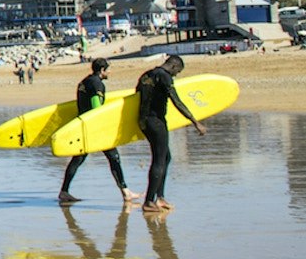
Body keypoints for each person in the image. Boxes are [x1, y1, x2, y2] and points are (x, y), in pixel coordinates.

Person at [58, 59, 139, 205]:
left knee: (78, 159)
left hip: (83, 125)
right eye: (108, 69)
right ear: (102, 70)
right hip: (95, 128)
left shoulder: (85, 81)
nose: (109, 72)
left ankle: (64, 191)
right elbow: (96, 107)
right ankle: (126, 192)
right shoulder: (97, 84)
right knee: (113, 157)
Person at [136, 55, 204, 215]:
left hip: (144, 121)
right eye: (177, 72)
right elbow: (177, 101)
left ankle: (159, 197)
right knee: (159, 159)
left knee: (166, 157)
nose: (176, 75)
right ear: (173, 66)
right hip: (156, 121)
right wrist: (195, 122)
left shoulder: (146, 75)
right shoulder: (165, 77)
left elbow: (136, 97)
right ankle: (148, 201)